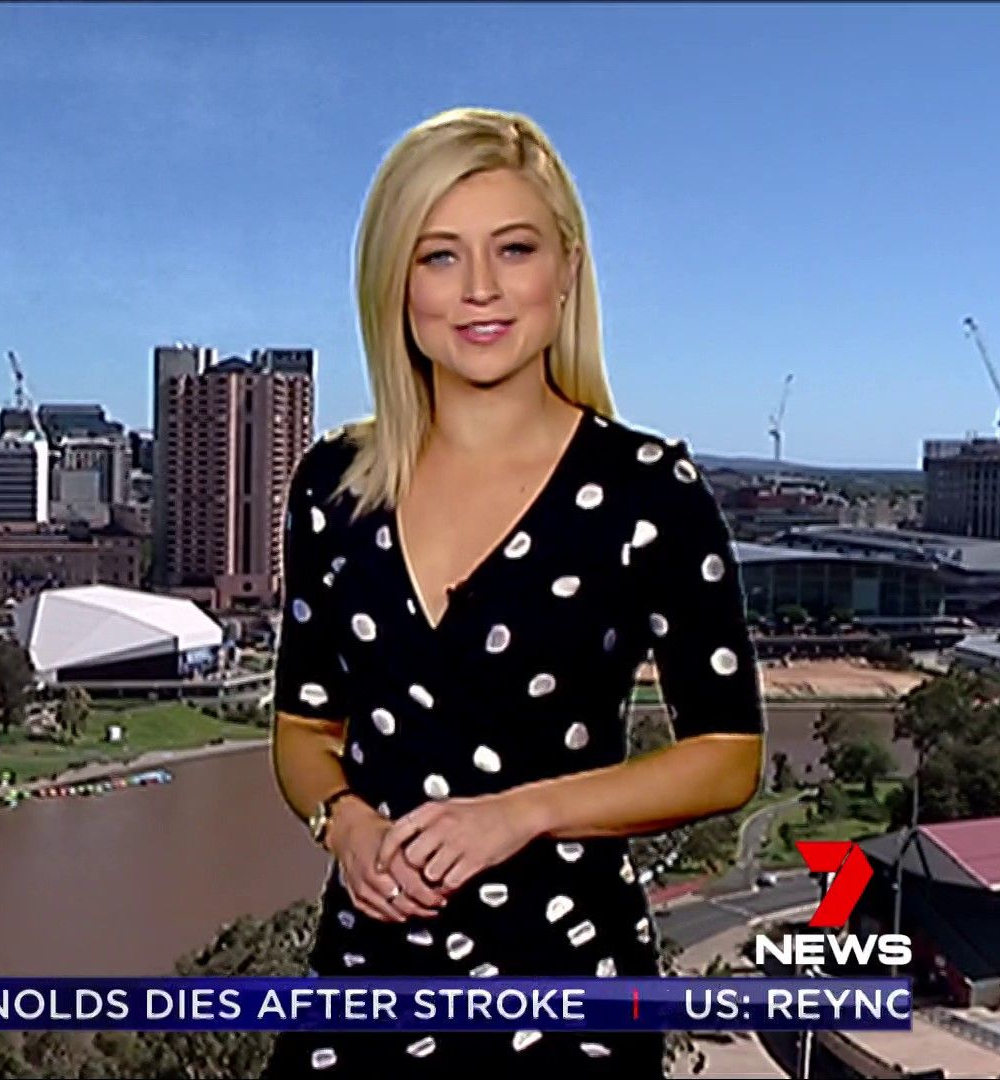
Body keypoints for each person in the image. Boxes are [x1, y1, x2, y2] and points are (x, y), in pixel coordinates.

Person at [263, 107, 766, 1077]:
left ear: (566, 268)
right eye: (439, 256)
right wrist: (343, 822)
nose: (480, 289)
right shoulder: (334, 486)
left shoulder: (649, 493)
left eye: (515, 249)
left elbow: (727, 757)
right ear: (395, 283)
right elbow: (303, 729)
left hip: (569, 990)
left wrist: (519, 814)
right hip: (362, 988)